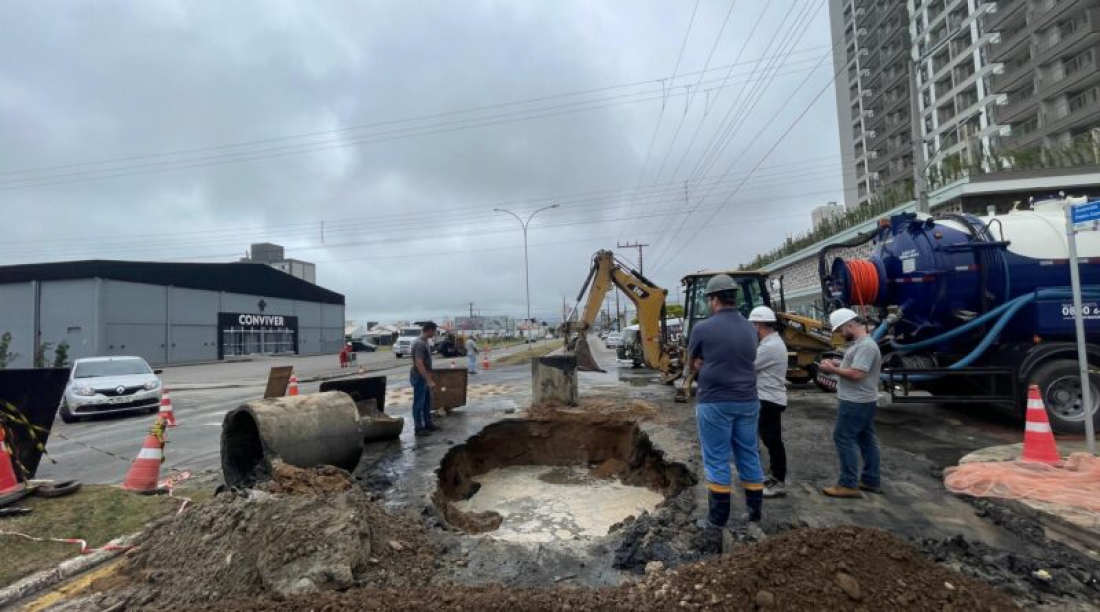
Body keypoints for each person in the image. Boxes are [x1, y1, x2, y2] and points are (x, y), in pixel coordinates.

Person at [688, 274, 765, 529]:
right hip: (748, 400)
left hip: (715, 401)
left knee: (717, 457)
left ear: (714, 299)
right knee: (748, 454)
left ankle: (717, 519)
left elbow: (693, 363)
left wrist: (700, 364)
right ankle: (754, 514)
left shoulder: (703, 328)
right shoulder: (749, 328)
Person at [818, 308, 882, 498]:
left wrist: (832, 370)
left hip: (856, 401)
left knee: (843, 437)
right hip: (863, 399)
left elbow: (857, 374)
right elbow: (856, 368)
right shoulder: (862, 345)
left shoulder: (865, 346)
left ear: (850, 325)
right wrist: (838, 365)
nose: (839, 334)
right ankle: (870, 479)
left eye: (840, 330)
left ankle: (848, 484)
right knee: (866, 439)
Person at [748, 306, 788, 498]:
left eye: (752, 325)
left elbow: (749, 367)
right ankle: (774, 476)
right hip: (769, 397)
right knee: (770, 439)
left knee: (772, 441)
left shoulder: (769, 347)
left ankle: (778, 482)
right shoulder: (771, 343)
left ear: (759, 325)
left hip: (769, 399)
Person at [411, 321, 439, 437]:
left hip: (424, 376)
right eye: (434, 331)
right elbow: (419, 363)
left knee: (427, 402)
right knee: (419, 403)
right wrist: (428, 380)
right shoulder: (419, 343)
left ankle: (428, 423)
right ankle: (418, 428)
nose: (435, 333)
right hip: (419, 377)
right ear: (430, 330)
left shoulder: (425, 342)